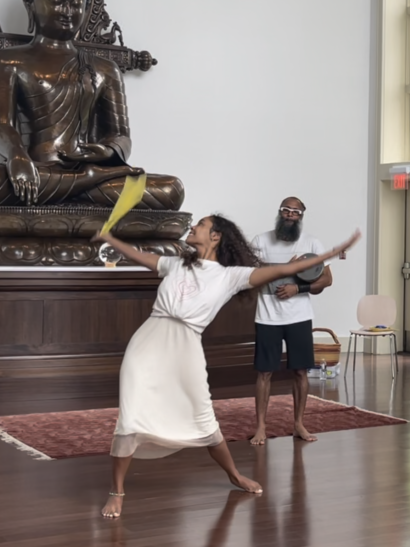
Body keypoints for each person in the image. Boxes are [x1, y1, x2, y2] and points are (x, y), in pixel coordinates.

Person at [91, 216, 360, 518]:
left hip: (187, 346)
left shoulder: (231, 276)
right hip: (147, 343)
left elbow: (286, 269)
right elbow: (139, 256)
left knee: (203, 416)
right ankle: (117, 491)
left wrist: (332, 253)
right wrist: (109, 239)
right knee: (131, 415)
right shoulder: (176, 264)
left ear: (216, 236)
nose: (192, 227)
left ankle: (233, 474)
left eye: (200, 224)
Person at [0, 0, 184, 210]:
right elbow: (1, 124)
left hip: (87, 172)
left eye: (77, 4)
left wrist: (108, 152)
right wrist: (17, 156)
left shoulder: (105, 69)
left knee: (170, 189)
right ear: (29, 2)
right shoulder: (8, 61)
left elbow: (120, 135)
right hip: (35, 171)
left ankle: (84, 181)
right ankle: (83, 184)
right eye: (56, 1)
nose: (67, 11)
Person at [249, 197, 333, 445]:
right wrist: (285, 267)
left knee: (300, 371)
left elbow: (326, 280)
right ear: (279, 213)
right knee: (264, 372)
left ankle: (299, 424)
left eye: (295, 212)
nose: (290, 214)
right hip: (267, 317)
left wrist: (299, 289)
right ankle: (261, 427)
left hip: (299, 317)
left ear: (301, 216)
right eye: (286, 210)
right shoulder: (261, 241)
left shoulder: (312, 243)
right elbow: (251, 274)